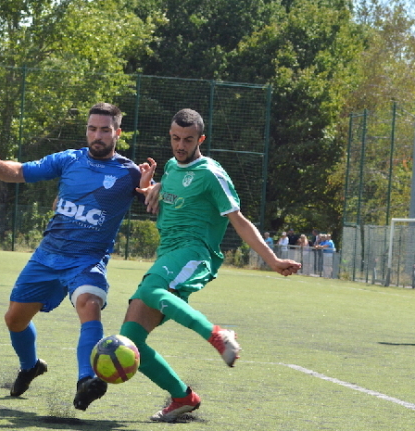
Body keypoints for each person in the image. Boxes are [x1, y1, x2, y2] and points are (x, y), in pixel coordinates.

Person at [117, 108, 301, 422]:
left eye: (188, 139)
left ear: (200, 139)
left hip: (194, 253)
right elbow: (171, 208)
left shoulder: (211, 173)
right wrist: (150, 192)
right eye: (175, 138)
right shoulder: (173, 168)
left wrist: (271, 259)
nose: (180, 145)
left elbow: (239, 221)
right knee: (131, 340)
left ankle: (217, 335)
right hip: (168, 255)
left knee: (150, 288)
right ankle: (182, 397)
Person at [0, 102, 153, 410]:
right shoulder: (68, 160)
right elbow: (19, 172)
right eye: (92, 128)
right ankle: (30, 365)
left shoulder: (129, 173)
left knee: (89, 304)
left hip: (87, 260)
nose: (97, 135)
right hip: (48, 255)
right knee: (14, 320)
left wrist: (150, 189)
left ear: (118, 133)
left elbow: (154, 198)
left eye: (104, 130)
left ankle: (87, 380)